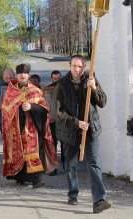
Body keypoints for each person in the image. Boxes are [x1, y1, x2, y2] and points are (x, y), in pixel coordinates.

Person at [52, 54, 112, 213]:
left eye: (79, 66)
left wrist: (94, 88)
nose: (76, 69)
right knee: (70, 165)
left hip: (90, 130)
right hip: (70, 131)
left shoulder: (91, 80)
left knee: (94, 164)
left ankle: (99, 199)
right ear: (69, 66)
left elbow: (103, 102)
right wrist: (76, 122)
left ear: (84, 67)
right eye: (74, 66)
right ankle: (73, 194)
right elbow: (58, 112)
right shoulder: (62, 85)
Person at [2, 64, 59, 188]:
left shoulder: (36, 91)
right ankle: (20, 176)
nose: (23, 75)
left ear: (28, 75)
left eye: (25, 73)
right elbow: (5, 111)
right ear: (17, 75)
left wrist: (32, 107)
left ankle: (36, 179)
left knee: (33, 152)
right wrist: (17, 108)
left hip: (32, 128)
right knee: (18, 151)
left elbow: (45, 109)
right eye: (20, 73)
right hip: (16, 128)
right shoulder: (11, 91)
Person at [47, 70, 64, 176]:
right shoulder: (47, 90)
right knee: (52, 143)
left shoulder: (66, 88)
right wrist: (48, 115)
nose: (56, 81)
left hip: (63, 120)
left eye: (58, 79)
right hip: (52, 121)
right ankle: (53, 167)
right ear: (51, 79)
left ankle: (66, 163)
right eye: (54, 79)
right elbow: (45, 104)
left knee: (64, 143)